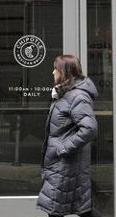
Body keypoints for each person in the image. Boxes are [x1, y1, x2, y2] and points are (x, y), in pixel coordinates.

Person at [37, 54, 98, 217]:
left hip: (65, 164)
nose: (52, 72)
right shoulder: (65, 94)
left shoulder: (77, 96)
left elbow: (89, 128)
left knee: (59, 209)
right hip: (62, 164)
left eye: (55, 69)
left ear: (64, 72)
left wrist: (63, 148)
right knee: (78, 208)